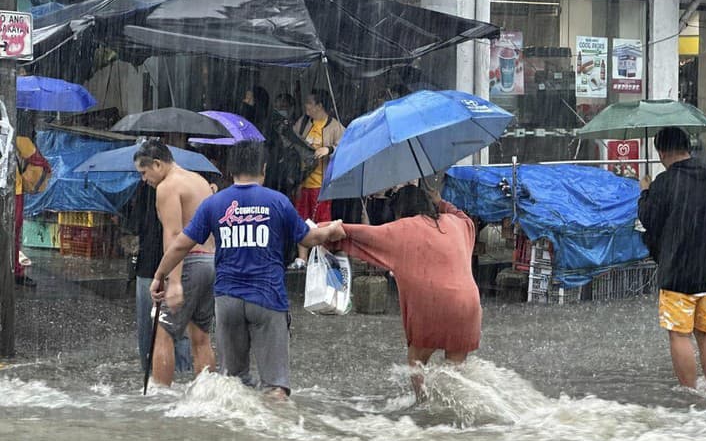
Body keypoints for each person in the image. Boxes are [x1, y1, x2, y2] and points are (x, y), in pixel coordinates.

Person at [150, 140, 345, 399]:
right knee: (275, 387)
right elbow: (309, 239)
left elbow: (179, 246)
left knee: (233, 384)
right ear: (263, 168)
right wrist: (330, 230)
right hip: (267, 299)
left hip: (228, 302)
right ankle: (272, 435)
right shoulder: (277, 201)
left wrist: (159, 277)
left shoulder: (214, 204)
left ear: (231, 171)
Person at [330, 185, 482, 400]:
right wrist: (441, 202)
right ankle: (453, 407)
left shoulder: (402, 229)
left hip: (433, 305)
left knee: (416, 360)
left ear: (400, 210)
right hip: (468, 305)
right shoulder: (457, 224)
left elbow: (361, 235)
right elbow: (463, 216)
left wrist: (326, 229)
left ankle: (423, 402)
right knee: (455, 371)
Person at [638, 127, 706, 389]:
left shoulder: (664, 183)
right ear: (687, 148)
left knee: (679, 334)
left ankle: (689, 393)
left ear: (661, 152)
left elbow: (649, 220)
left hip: (678, 271)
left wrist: (645, 191)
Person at [133, 140, 217, 386]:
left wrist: (173, 281)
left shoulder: (167, 187)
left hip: (188, 263)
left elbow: (174, 234)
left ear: (157, 164)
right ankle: (208, 396)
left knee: (164, 333)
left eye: (144, 172)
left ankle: (161, 397)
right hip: (210, 262)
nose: (144, 179)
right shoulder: (199, 181)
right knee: (200, 336)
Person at [128, 181, 193, 374]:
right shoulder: (185, 186)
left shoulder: (144, 188)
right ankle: (182, 373)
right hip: (180, 266)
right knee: (177, 325)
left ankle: (150, 372)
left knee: (148, 327)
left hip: (149, 265)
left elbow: (135, 225)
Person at [293, 89, 345, 267]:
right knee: (301, 219)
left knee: (322, 221)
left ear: (319, 105)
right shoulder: (303, 122)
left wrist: (329, 149)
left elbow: (346, 147)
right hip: (303, 182)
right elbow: (292, 140)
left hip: (322, 184)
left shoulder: (334, 126)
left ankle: (321, 256)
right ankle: (302, 258)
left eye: (309, 103)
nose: (306, 106)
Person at [14, 127, 51, 287]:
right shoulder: (17, 138)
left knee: (12, 233)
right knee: (12, 233)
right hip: (12, 192)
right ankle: (15, 270)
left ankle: (15, 269)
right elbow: (39, 162)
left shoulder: (16, 138)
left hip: (12, 191)